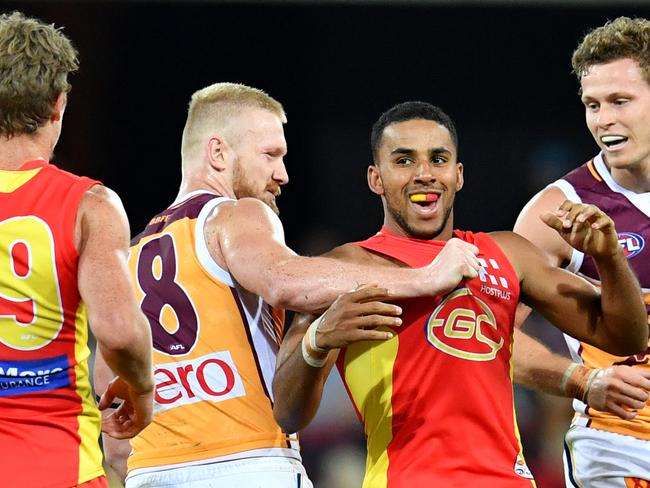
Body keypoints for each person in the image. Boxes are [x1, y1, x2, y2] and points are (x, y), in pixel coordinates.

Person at [95, 83, 485, 488]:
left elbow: (112, 411)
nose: (282, 174)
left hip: (150, 472)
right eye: (270, 155)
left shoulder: (131, 254)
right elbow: (286, 281)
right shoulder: (235, 214)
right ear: (217, 153)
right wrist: (426, 277)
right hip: (250, 463)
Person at [272, 101, 648, 487]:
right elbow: (287, 413)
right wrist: (316, 344)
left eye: (438, 159)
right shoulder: (344, 268)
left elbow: (626, 337)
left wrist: (609, 257)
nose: (424, 174)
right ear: (375, 178)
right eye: (404, 161)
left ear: (458, 174)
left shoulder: (507, 253)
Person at [0, 11, 154, 488]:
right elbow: (120, 332)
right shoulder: (88, 205)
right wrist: (142, 390)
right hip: (57, 463)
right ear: (58, 105)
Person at [512, 16, 650, 487]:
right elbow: (488, 339)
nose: (602, 120)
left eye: (619, 102)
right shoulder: (559, 211)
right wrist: (580, 380)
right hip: (620, 446)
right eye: (592, 105)